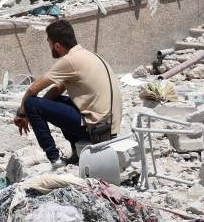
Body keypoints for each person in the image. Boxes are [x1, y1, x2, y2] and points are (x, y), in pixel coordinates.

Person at [13, 19, 123, 167]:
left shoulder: (70, 60)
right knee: (50, 102)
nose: (50, 47)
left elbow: (32, 89)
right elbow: (59, 88)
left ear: (57, 45)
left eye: (49, 43)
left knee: (30, 102)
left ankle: (54, 159)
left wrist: (22, 113)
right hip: (109, 127)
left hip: (97, 129)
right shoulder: (90, 55)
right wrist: (41, 110)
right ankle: (76, 154)